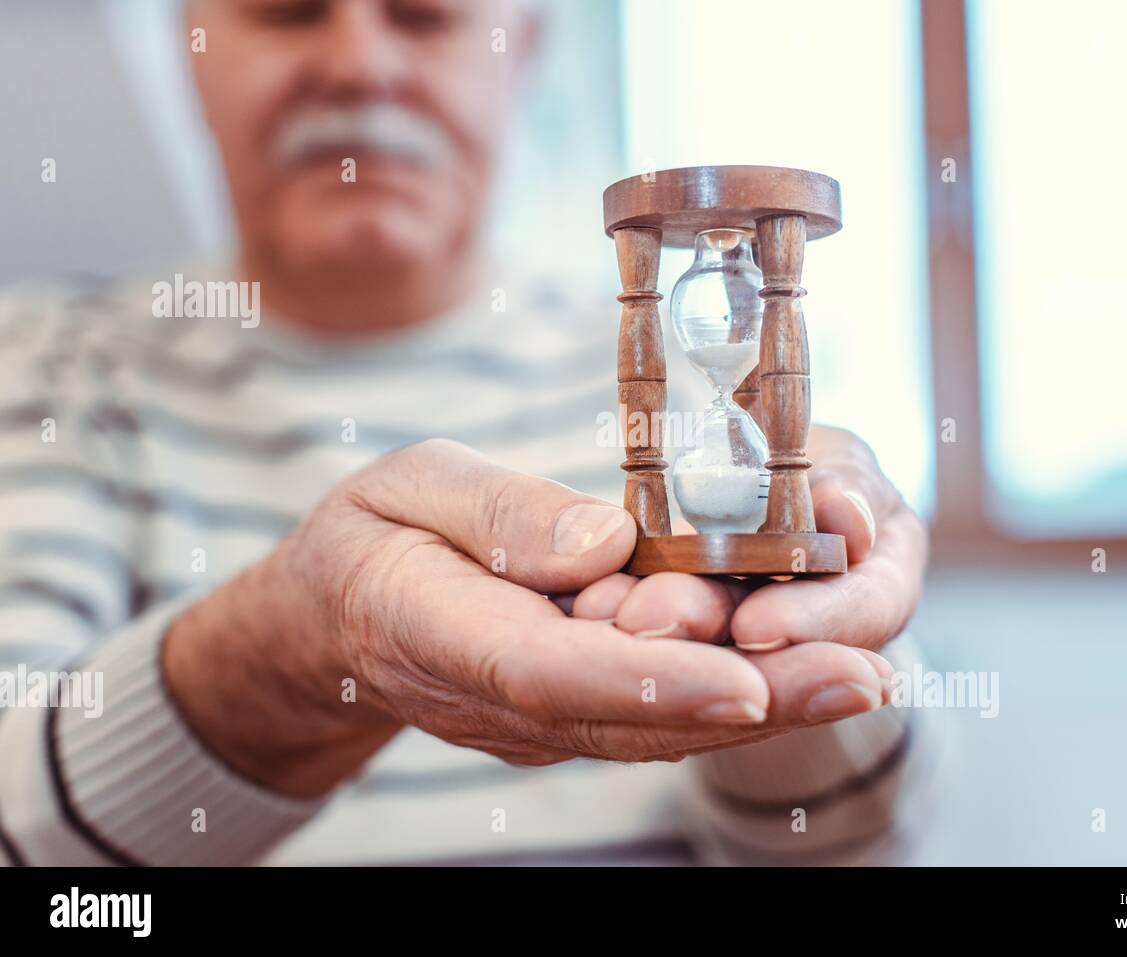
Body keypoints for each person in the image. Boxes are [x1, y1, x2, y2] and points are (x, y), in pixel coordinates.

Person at [0, 0, 930, 866]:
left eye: (425, 14)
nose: (358, 63)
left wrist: (791, 656)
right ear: (188, 45)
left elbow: (853, 848)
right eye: (287, 9)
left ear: (520, 46)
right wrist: (290, 654)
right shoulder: (48, 363)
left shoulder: (695, 377)